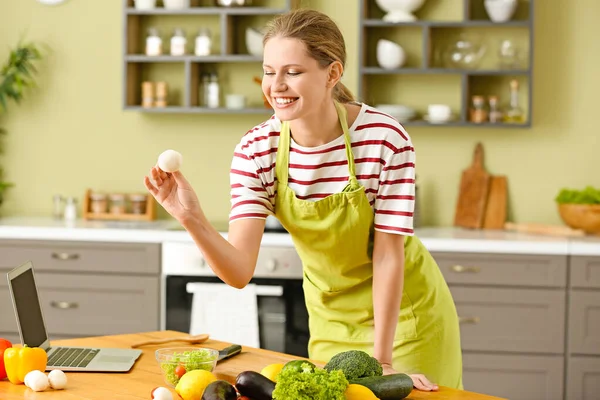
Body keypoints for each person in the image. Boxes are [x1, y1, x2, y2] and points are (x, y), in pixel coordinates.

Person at [144, 8, 463, 391]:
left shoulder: (383, 138)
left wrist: (381, 360)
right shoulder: (256, 150)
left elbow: (388, 253)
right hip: (329, 320)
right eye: (268, 71)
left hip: (405, 325)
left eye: (292, 72)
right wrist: (190, 217)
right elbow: (239, 271)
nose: (275, 85)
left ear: (332, 74)